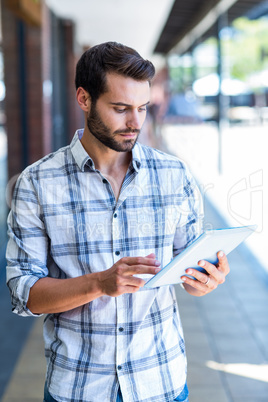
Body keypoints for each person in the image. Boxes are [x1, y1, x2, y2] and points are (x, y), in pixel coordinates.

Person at [6, 42, 229, 402]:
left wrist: (204, 279)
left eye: (142, 108)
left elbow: (188, 266)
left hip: (161, 381)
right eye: (121, 108)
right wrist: (99, 283)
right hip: (78, 388)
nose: (135, 122)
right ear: (84, 99)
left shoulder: (173, 174)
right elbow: (23, 294)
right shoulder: (36, 183)